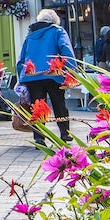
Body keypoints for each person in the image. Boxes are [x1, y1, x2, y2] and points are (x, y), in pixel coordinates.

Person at [18, 8, 77, 144]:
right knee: (59, 103)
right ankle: (64, 133)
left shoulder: (30, 35)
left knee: (38, 106)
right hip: (53, 73)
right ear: (54, 20)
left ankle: (39, 137)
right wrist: (72, 70)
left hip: (32, 76)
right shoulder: (57, 31)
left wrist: (21, 77)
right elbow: (66, 49)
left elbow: (22, 58)